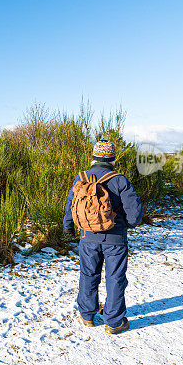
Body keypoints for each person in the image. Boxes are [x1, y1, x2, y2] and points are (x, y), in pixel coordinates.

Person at [63, 139, 143, 334]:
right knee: (115, 277)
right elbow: (135, 213)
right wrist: (126, 225)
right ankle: (114, 322)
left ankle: (87, 314)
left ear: (94, 156)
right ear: (112, 157)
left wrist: (68, 228)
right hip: (115, 238)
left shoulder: (81, 177)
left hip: (87, 236)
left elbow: (70, 205)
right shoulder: (120, 179)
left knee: (88, 273)